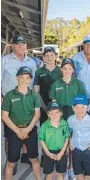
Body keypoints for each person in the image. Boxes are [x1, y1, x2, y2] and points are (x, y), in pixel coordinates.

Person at [1, 35, 37, 173]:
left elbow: (32, 84)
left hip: (27, 101)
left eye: (23, 43)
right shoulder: (4, 61)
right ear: (13, 45)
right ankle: (12, 161)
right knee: (10, 134)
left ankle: (25, 155)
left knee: (27, 128)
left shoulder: (31, 62)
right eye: (18, 44)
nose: (21, 46)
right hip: (9, 102)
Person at [49, 58, 87, 179]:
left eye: (69, 68)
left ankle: (73, 169)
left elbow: (83, 102)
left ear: (73, 70)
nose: (67, 71)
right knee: (63, 145)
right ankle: (65, 169)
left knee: (74, 145)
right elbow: (54, 104)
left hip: (75, 118)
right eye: (65, 68)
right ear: (61, 69)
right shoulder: (56, 84)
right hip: (61, 120)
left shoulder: (78, 83)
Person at [1, 66, 41, 180]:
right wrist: (18, 131)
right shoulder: (10, 95)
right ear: (17, 78)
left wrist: (28, 129)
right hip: (14, 131)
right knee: (11, 162)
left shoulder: (34, 94)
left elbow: (37, 114)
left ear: (30, 80)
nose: (24, 80)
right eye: (22, 77)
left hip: (30, 130)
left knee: (34, 159)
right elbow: (4, 116)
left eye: (27, 78)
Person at [39, 102, 69, 180]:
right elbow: (42, 140)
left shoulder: (65, 124)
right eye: (51, 113)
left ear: (61, 113)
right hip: (48, 152)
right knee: (49, 174)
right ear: (48, 114)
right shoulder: (44, 125)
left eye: (56, 112)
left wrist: (62, 152)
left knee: (60, 174)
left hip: (61, 152)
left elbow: (67, 138)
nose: (54, 115)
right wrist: (48, 153)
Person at [34, 46, 62, 127]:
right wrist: (45, 108)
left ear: (56, 56)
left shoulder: (61, 71)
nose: (49, 58)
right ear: (43, 57)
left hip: (59, 106)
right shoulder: (39, 72)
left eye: (51, 55)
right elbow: (36, 91)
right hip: (44, 107)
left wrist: (57, 107)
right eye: (47, 55)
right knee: (45, 131)